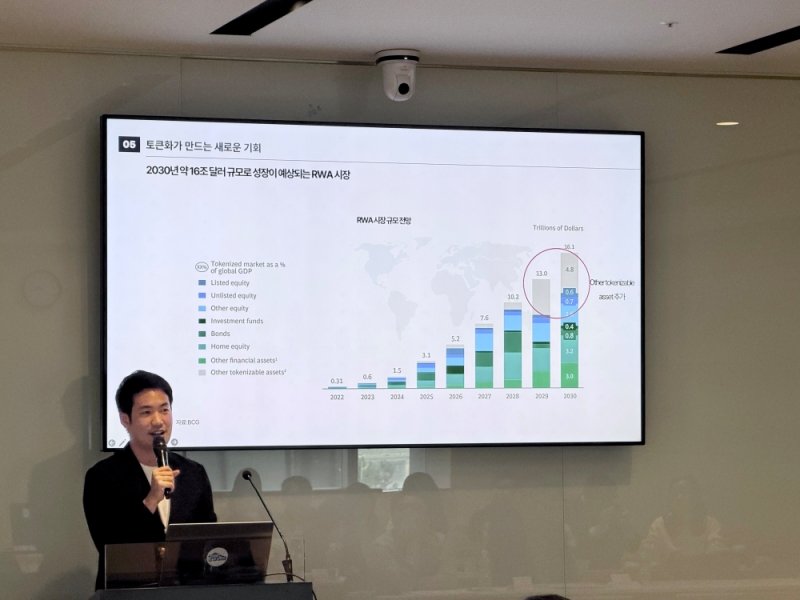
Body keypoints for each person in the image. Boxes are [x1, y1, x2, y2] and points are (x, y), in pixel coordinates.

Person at [83, 370, 217, 590]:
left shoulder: (193, 473)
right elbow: (110, 545)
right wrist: (151, 500)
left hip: (185, 591)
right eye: (146, 412)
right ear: (125, 419)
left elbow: (208, 537)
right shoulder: (103, 476)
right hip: (127, 592)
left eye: (164, 410)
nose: (158, 421)